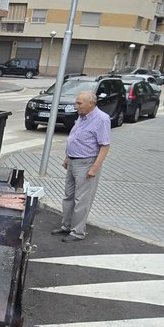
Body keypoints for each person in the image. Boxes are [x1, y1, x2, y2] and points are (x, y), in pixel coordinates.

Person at [52, 90, 111, 242]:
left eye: (79, 103)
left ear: (91, 104)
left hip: (86, 163)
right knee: (69, 196)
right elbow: (75, 138)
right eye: (76, 102)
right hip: (73, 161)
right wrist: (67, 157)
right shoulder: (82, 117)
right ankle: (66, 226)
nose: (76, 106)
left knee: (81, 199)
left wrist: (94, 168)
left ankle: (77, 232)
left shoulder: (101, 119)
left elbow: (105, 146)